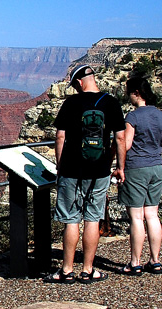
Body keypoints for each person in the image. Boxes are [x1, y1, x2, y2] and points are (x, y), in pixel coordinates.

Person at [44, 64, 126, 283]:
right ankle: (88, 269)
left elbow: (60, 137)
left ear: (79, 82)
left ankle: (67, 270)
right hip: (99, 171)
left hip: (71, 169)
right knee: (92, 219)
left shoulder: (71, 103)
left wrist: (60, 167)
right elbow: (120, 139)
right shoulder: (111, 102)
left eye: (74, 85)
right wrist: (119, 167)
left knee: (71, 220)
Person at [117, 75, 162, 275]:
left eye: (129, 93)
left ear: (136, 93)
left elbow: (126, 144)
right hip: (156, 168)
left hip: (136, 169)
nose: (127, 97)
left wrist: (119, 166)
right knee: (152, 214)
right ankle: (155, 261)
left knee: (136, 217)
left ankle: (135, 263)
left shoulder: (132, 117)